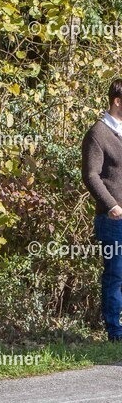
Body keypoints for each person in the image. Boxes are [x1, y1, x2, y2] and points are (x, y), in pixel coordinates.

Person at [81, 78, 122, 343]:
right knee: (116, 275)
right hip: (113, 220)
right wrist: (112, 205)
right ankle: (115, 332)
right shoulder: (97, 133)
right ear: (117, 101)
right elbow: (91, 175)